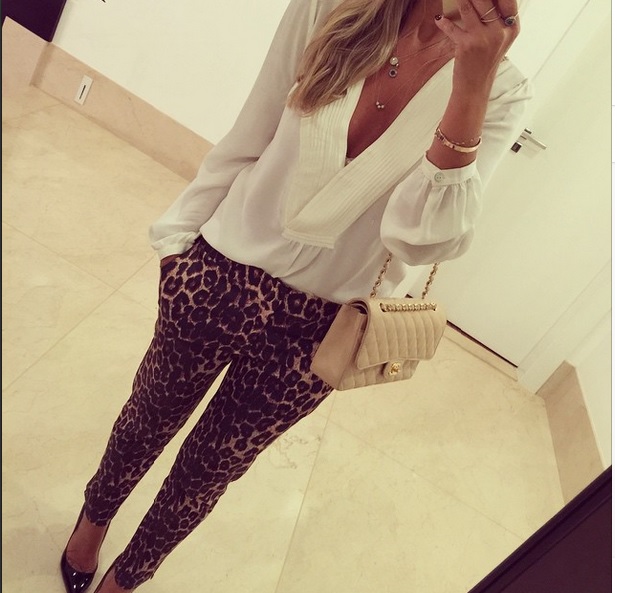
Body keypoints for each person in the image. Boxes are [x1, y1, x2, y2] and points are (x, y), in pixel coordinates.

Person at [60, 0, 530, 591]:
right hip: (220, 270)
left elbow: (423, 240)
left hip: (320, 328)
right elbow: (251, 129)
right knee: (146, 416)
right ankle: (92, 524)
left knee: (209, 471)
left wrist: (471, 83)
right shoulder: (332, 7)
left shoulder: (502, 91)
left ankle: (128, 578)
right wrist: (178, 242)